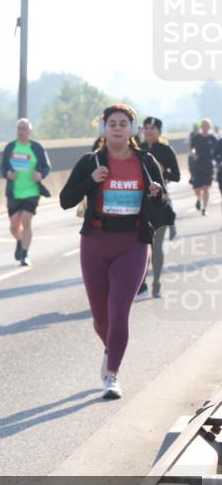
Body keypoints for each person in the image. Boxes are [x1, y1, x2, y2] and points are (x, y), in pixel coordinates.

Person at [60, 104, 166, 400]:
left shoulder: (146, 162)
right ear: (103, 129)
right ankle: (111, 348)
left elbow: (163, 208)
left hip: (132, 244)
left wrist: (157, 194)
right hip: (95, 242)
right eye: (112, 123)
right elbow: (65, 200)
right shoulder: (90, 161)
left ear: (132, 129)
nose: (118, 128)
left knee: (119, 311)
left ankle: (111, 374)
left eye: (123, 123)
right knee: (100, 318)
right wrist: (89, 181)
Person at [136, 116, 181, 298]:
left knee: (156, 246)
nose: (148, 131)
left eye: (152, 128)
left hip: (159, 202)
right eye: (146, 127)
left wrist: (164, 171)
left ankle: (157, 282)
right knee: (140, 246)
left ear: (159, 132)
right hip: (140, 203)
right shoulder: (136, 150)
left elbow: (177, 175)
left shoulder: (166, 150)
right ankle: (140, 283)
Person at [0, 118, 52, 267]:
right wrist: (8, 174)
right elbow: (3, 168)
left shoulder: (36, 148)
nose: (21, 131)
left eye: (24, 128)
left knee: (26, 220)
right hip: (14, 192)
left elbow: (46, 167)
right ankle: (19, 241)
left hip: (32, 191)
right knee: (14, 226)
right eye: (19, 128)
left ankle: (24, 254)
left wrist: (40, 175)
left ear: (30, 131)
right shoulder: (10, 147)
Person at [190, 118, 217, 215]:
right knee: (197, 189)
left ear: (209, 127)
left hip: (208, 167)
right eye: (203, 126)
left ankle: (204, 208)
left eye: (207, 126)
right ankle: (198, 198)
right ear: (201, 127)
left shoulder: (213, 138)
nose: (205, 128)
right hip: (197, 166)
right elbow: (192, 148)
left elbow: (217, 151)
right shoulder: (196, 138)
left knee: (206, 188)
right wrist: (193, 154)